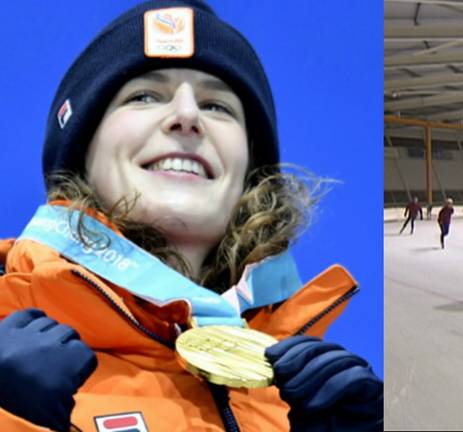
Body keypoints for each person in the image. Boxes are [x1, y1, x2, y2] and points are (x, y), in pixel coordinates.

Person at [0, 1, 382, 431]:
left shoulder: (306, 390)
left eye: (218, 106)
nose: (186, 117)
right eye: (143, 96)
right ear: (82, 151)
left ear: (250, 171)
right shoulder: (10, 363)